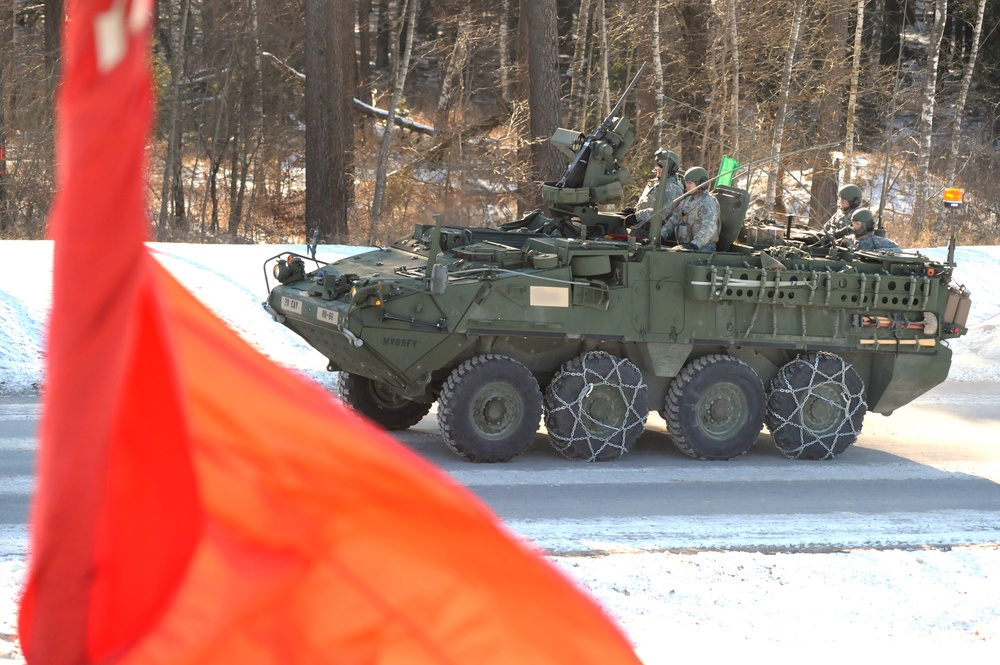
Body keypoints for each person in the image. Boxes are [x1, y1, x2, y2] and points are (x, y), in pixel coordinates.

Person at [661, 166, 720, 252]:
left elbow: (709, 227)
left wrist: (695, 244)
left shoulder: (708, 202)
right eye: (686, 182)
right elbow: (673, 220)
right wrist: (661, 235)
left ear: (701, 184)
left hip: (703, 247)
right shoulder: (686, 201)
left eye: (690, 183)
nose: (686, 185)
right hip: (686, 247)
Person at [633, 149, 683, 226]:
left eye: (661, 166)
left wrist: (636, 216)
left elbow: (662, 214)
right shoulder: (655, 182)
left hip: (655, 231)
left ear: (672, 168)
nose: (658, 168)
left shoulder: (673, 188)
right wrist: (634, 211)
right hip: (641, 224)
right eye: (657, 164)